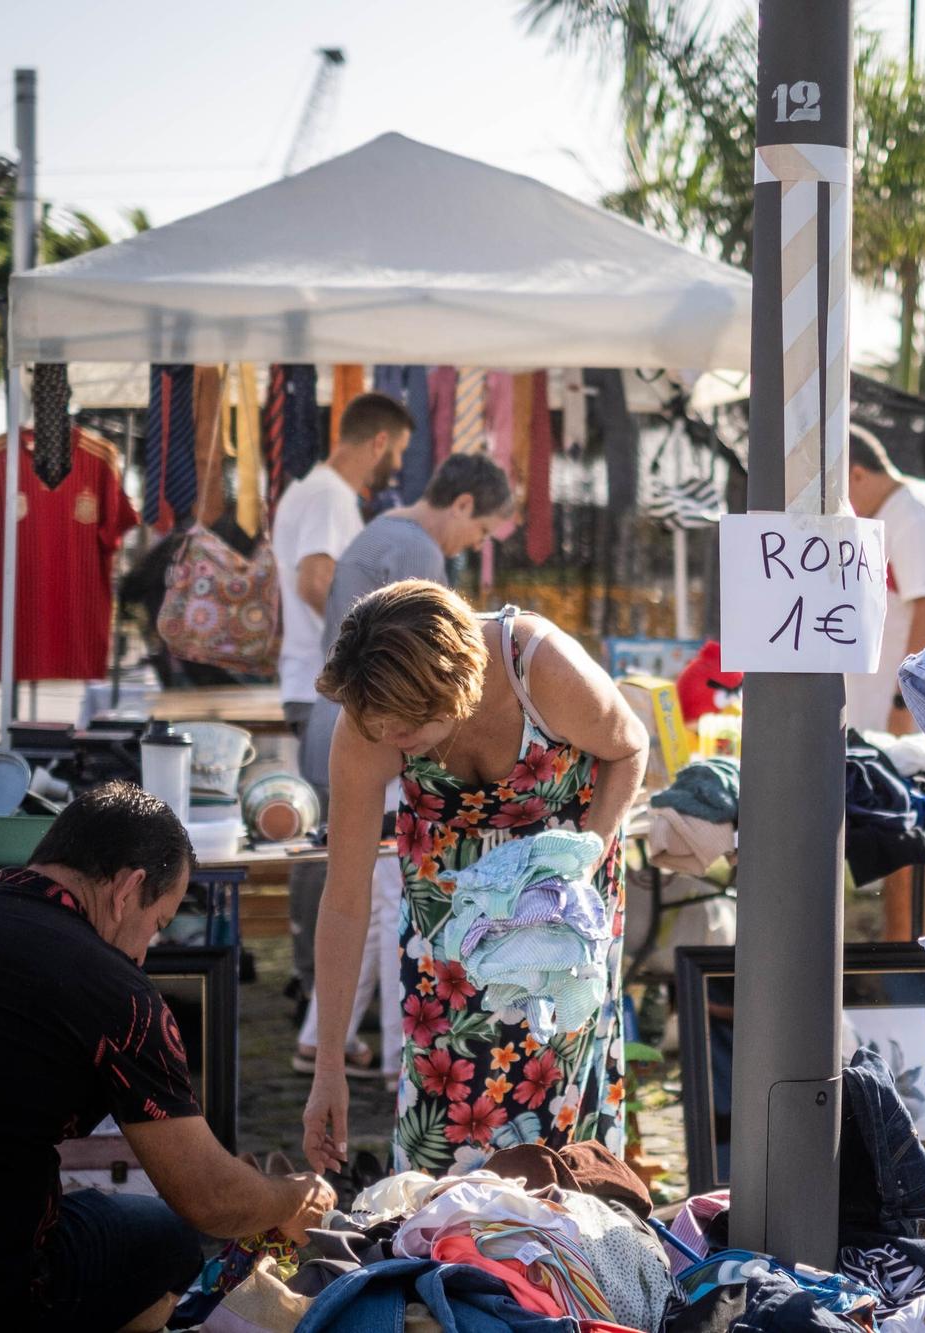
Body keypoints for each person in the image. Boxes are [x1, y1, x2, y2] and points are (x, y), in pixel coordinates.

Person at [0, 783, 335, 1331]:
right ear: (128, 889)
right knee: (167, 1238)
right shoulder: (116, 991)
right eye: (156, 926)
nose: (144, 953)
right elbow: (210, 1200)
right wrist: (290, 1197)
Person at [301, 580, 647, 1178]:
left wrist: (586, 857)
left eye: (403, 730)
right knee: (442, 1121)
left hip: (559, 918)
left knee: (558, 1124)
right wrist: (328, 1063)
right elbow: (346, 900)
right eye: (377, 727)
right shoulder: (370, 719)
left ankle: (562, 1258)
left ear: (453, 686)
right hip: (447, 947)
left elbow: (629, 747)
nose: (388, 741)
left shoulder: (539, 667)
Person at [296, 453, 518, 1084]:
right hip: (375, 739)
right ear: (464, 505)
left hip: (342, 724)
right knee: (395, 898)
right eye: (479, 534)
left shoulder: (376, 529)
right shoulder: (419, 555)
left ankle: (323, 1038)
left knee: (363, 887)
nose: (473, 546)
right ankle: (401, 1062)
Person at [274, 391, 412, 1016]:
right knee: (336, 839)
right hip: (327, 685)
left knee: (326, 836)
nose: (397, 468)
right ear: (379, 441)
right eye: (399, 452)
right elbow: (316, 580)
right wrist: (376, 642)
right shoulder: (330, 495)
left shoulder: (309, 490)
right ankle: (318, 989)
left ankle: (314, 984)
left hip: (313, 681)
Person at [844, 427, 925, 735]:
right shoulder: (900, 508)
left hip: (902, 726)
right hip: (882, 718)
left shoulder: (914, 513)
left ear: (858, 474)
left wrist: (904, 705)